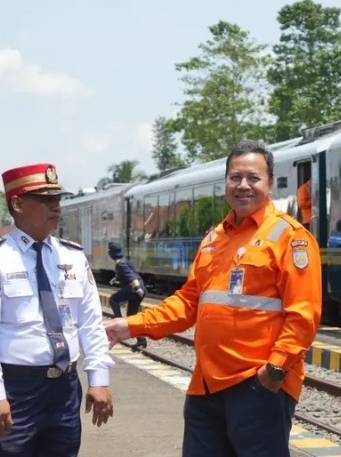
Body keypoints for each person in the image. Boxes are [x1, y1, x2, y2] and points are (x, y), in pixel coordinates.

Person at [105, 140, 322, 457]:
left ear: (271, 183)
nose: (243, 185)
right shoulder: (214, 239)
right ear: (226, 182)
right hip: (205, 388)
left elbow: (303, 317)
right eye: (235, 178)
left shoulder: (290, 238)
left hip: (257, 385)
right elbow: (188, 303)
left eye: (253, 178)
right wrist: (129, 326)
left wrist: (274, 372)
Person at [0, 163, 114, 457]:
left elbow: (90, 323)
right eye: (45, 199)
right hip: (16, 388)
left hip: (65, 388)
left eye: (57, 198)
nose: (56, 206)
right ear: (17, 204)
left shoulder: (71, 257)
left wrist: (99, 379)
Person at [107, 241, 146, 348]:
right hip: (139, 289)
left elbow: (130, 276)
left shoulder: (121, 263)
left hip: (134, 289)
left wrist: (137, 288)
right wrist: (115, 279)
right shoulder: (124, 260)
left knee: (113, 300)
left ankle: (118, 324)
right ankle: (141, 339)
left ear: (111, 253)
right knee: (132, 316)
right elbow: (127, 273)